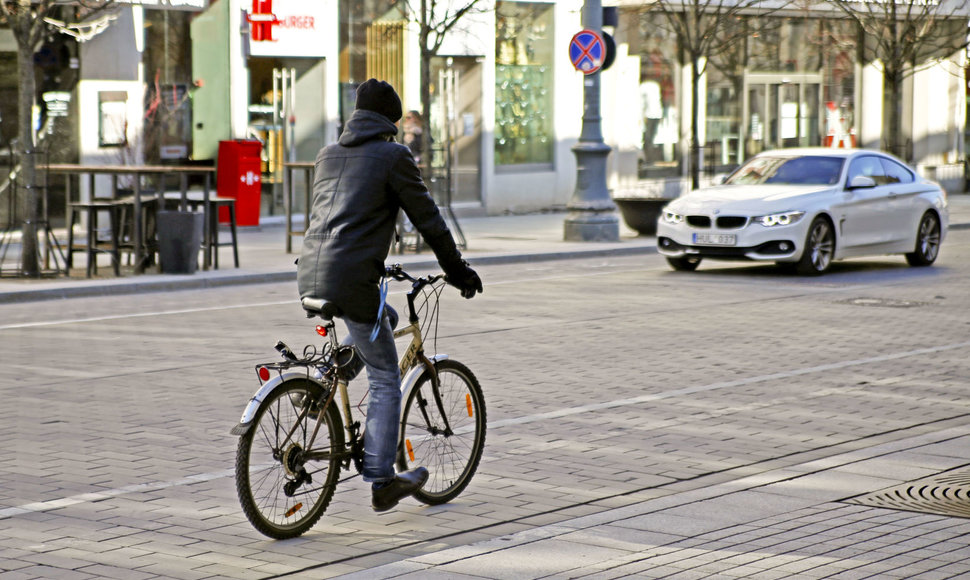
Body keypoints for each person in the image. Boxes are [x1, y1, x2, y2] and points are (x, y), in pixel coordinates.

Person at [297, 79, 483, 512]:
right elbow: (429, 220)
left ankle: (332, 378)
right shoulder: (394, 156)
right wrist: (457, 271)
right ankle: (381, 480)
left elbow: (337, 216)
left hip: (311, 272)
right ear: (389, 124)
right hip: (353, 279)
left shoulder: (328, 154)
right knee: (385, 377)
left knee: (387, 318)